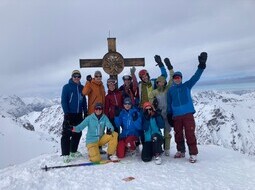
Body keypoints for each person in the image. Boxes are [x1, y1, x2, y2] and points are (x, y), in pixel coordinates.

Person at [166, 52, 208, 163]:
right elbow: (169, 103)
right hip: (176, 116)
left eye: (178, 77)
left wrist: (201, 66)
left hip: (188, 114)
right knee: (178, 134)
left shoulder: (187, 86)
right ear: (173, 79)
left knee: (190, 133)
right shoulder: (171, 90)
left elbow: (196, 77)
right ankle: (181, 151)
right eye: (175, 77)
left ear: (181, 78)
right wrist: (170, 114)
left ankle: (193, 153)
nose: (177, 79)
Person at [148, 57, 174, 156]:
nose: (161, 83)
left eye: (163, 82)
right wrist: (154, 107)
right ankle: (158, 148)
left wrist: (170, 67)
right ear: (157, 83)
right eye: (159, 82)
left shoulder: (167, 89)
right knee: (157, 132)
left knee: (167, 134)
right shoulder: (154, 92)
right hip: (158, 114)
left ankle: (166, 149)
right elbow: (150, 99)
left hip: (167, 114)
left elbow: (171, 77)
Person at [61, 70, 87, 163]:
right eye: (75, 76)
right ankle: (65, 154)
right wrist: (66, 114)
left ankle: (73, 151)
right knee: (66, 134)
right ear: (72, 77)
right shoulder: (66, 87)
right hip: (69, 114)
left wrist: (85, 112)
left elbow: (83, 101)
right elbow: (64, 101)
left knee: (77, 133)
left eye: (78, 76)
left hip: (79, 114)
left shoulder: (81, 88)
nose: (76, 78)